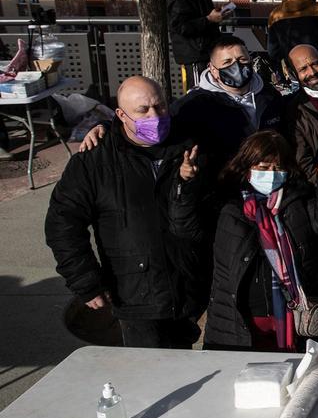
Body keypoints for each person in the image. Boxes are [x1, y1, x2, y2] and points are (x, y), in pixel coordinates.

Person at [45, 76, 205, 348]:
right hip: (134, 294)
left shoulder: (189, 148)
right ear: (121, 115)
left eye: (160, 106)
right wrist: (85, 282)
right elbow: (63, 225)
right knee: (148, 377)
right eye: (142, 111)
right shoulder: (94, 160)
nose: (154, 116)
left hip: (186, 287)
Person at [176, 131, 318, 351]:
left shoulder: (297, 200)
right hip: (239, 318)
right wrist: (186, 184)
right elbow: (185, 226)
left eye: (277, 168)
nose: (271, 174)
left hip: (293, 316)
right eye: (263, 168)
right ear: (247, 168)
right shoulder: (227, 206)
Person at [171, 36, 286, 176]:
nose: (236, 66)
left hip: (268, 177)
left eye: (242, 60)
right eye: (227, 62)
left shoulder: (271, 96)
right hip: (222, 183)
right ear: (213, 69)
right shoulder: (194, 105)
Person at [167, 0, 226, 90]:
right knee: (197, 90)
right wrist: (209, 19)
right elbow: (180, 26)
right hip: (194, 54)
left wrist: (215, 15)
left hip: (205, 50)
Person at [283, 44, 318, 184]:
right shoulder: (293, 110)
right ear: (293, 73)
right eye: (303, 69)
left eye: (315, 64)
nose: (312, 72)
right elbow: (302, 162)